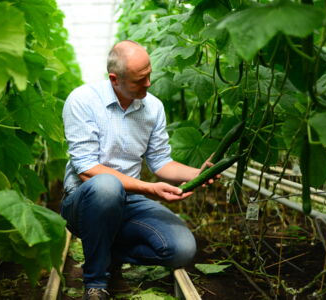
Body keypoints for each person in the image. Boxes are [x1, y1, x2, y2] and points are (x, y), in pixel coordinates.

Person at [61, 40, 215, 300]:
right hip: (84, 200)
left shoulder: (152, 107)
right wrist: (149, 188)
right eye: (139, 79)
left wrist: (197, 173)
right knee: (107, 186)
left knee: (182, 249)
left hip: (128, 202)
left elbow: (161, 162)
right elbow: (87, 169)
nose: (148, 84)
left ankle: (105, 249)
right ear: (114, 79)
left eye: (149, 75)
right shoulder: (83, 101)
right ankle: (96, 282)